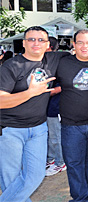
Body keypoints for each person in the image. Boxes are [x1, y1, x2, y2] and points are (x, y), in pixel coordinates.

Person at [0, 26, 68, 202]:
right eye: (31, 39)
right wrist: (31, 92)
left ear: (48, 44)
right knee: (11, 181)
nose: (36, 43)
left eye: (41, 40)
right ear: (24, 43)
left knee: (35, 176)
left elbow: (82, 57)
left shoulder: (54, 59)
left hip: (38, 128)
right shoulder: (11, 65)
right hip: (10, 130)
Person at [56, 30, 88, 202]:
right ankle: (79, 198)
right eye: (80, 42)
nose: (85, 46)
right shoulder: (62, 63)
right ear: (74, 44)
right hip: (71, 125)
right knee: (74, 163)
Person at [45, 37, 67, 177]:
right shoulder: (44, 62)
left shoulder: (59, 61)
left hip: (55, 106)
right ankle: (51, 159)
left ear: (49, 46)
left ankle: (60, 163)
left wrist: (47, 92)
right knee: (50, 135)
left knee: (56, 136)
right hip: (46, 107)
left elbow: (63, 85)